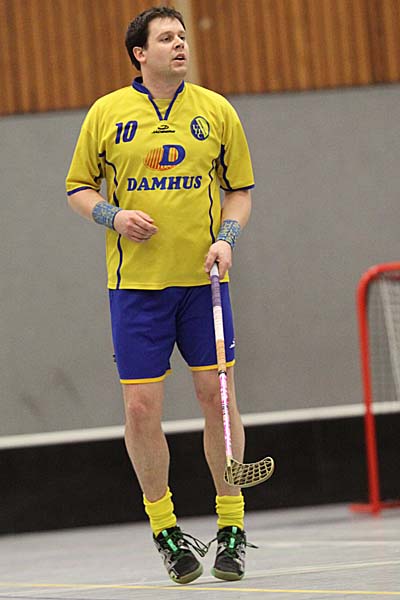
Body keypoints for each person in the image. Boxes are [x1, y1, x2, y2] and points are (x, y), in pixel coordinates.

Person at [66, 5, 254, 586]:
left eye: (182, 36)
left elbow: (240, 190)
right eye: (166, 38)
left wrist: (226, 239)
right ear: (139, 53)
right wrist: (113, 216)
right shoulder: (107, 113)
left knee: (217, 397)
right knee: (141, 409)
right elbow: (77, 187)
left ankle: (232, 526)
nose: (179, 44)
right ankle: (165, 528)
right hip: (136, 290)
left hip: (203, 285)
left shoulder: (216, 110)